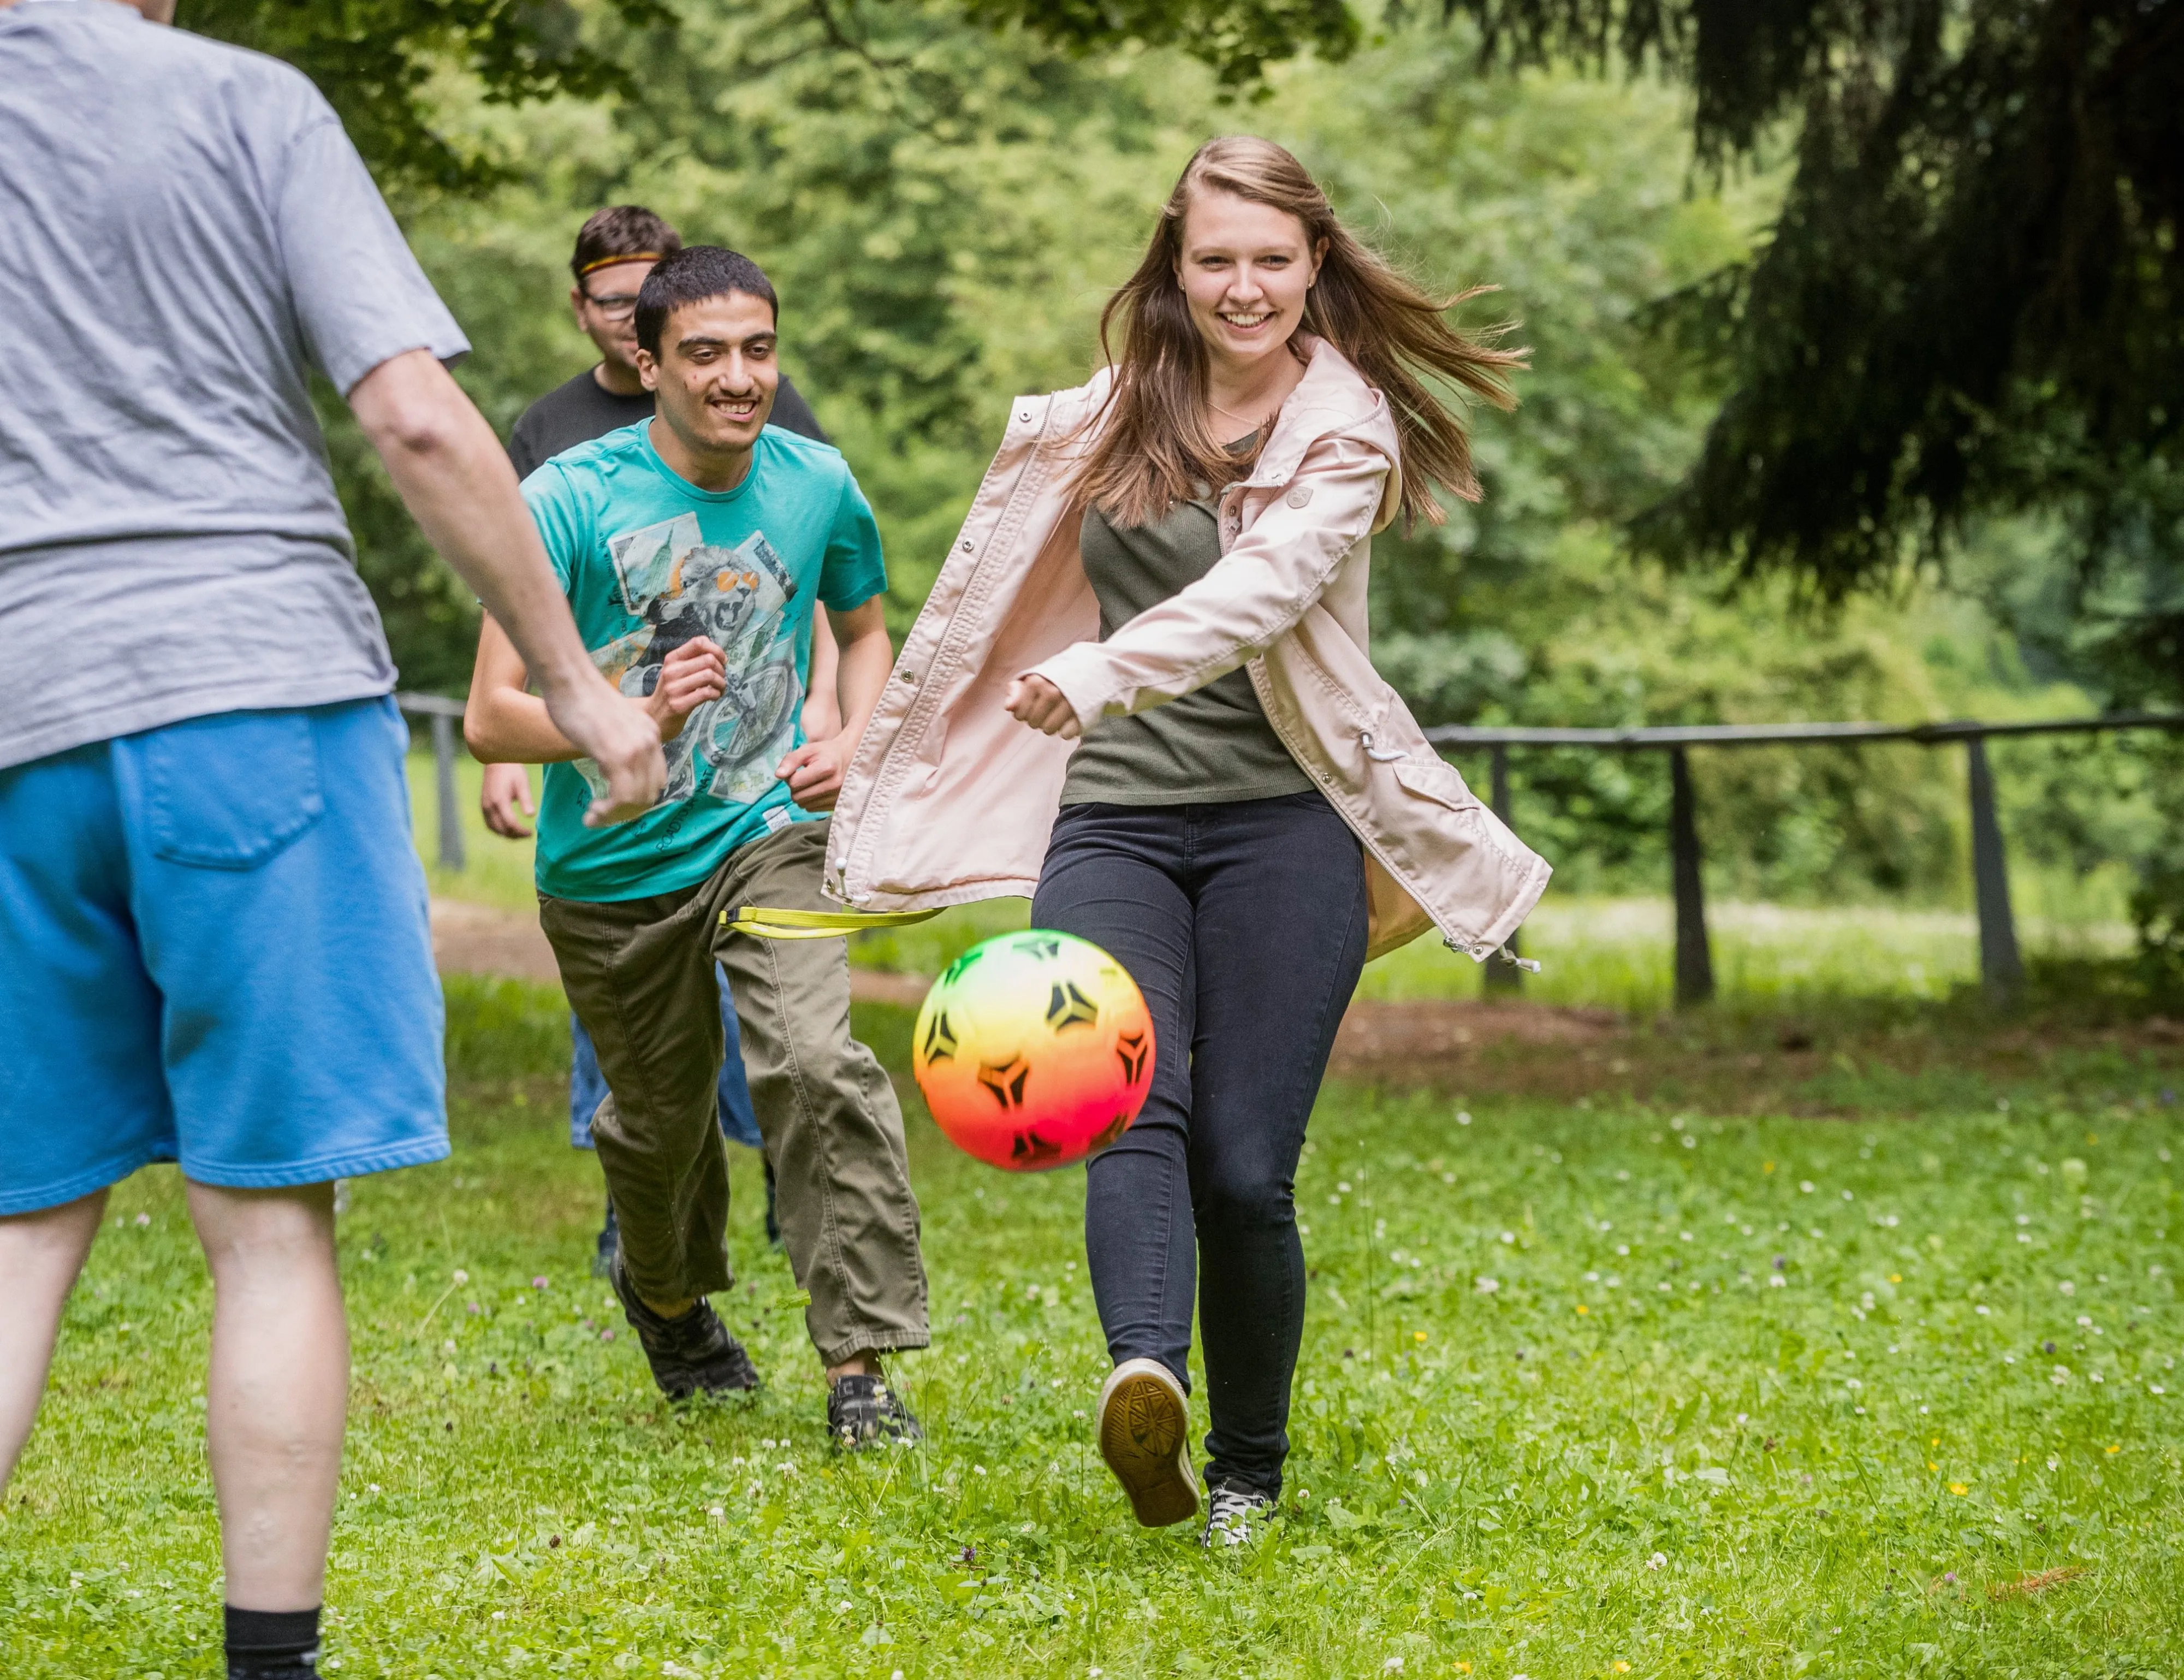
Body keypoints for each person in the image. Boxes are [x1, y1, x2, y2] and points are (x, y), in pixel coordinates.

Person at [0, 3, 663, 1678]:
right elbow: (421, 418)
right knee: (271, 1219)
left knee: (15, 1226)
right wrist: (577, 691)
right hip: (251, 701)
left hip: (19, 712)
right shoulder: (243, 103)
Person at [824, 136, 1550, 1544]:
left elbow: (1260, 592)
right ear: (1173, 262)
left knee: (1240, 1165)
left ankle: (1248, 1468)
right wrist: (884, 739)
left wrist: (1104, 671)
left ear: (1314, 265)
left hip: (1288, 824)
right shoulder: (1104, 416)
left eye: (1271, 260)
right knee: (1123, 1103)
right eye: (1213, 258)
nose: (1242, 286)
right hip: (1111, 817)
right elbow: (986, 620)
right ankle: (1141, 1377)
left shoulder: (1343, 428)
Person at [465, 244, 931, 1444]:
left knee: (814, 1061)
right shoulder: (564, 498)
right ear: (644, 358)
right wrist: (628, 718)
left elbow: (866, 628)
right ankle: (667, 1299)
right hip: (613, 866)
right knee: (661, 1127)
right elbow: (488, 716)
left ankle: (859, 1367)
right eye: (707, 353)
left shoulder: (818, 482)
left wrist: (854, 733)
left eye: (759, 349)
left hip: (767, 828)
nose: (740, 377)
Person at [480, 205, 837, 1267]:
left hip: (747, 778)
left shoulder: (763, 404)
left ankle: (785, 1178)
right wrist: (512, 746)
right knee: (638, 1034)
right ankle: (640, 1226)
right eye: (612, 299)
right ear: (590, 314)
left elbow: (805, 543)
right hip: (613, 793)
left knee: (775, 1007)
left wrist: (828, 707)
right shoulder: (549, 436)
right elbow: (515, 612)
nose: (734, 374)